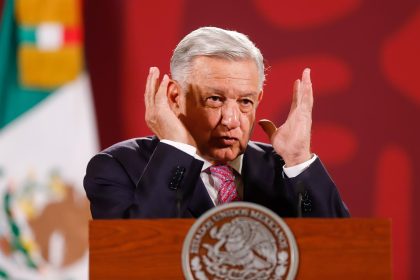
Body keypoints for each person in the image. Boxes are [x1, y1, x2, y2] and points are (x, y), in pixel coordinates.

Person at [84, 27, 349, 219]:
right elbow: (136, 260)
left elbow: (343, 257)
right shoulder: (118, 167)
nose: (232, 120)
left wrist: (299, 158)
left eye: (245, 102)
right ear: (175, 97)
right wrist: (176, 149)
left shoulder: (285, 169)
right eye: (215, 99)